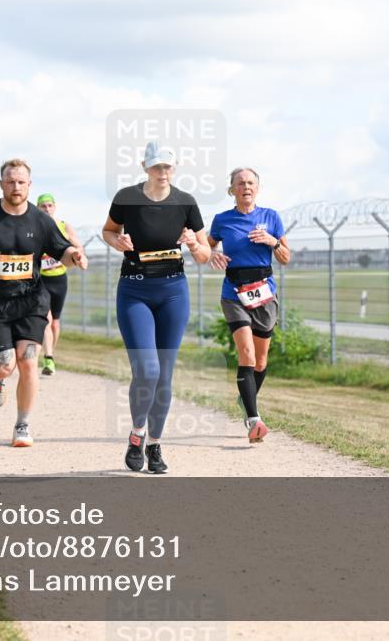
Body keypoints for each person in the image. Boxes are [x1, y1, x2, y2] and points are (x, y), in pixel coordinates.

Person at [0, 159, 87, 447]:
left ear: (29, 185)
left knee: (28, 362)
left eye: (21, 182)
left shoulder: (41, 221)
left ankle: (22, 425)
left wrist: (74, 257)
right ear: (1, 184)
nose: (16, 187)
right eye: (10, 181)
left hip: (32, 301)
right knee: (4, 365)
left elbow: (61, 251)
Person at [101, 141, 210, 474]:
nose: (162, 172)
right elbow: (108, 230)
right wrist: (116, 240)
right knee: (146, 371)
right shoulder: (126, 197)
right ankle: (137, 434)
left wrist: (193, 243)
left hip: (173, 291)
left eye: (167, 166)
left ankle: (155, 445)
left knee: (164, 375)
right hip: (135, 290)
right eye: (156, 166)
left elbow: (205, 254)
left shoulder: (186, 202)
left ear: (174, 167)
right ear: (144, 166)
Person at [208, 167, 289, 443]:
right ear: (232, 189)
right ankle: (254, 420)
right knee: (247, 355)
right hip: (233, 292)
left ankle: (246, 399)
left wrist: (273, 241)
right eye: (240, 183)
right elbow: (205, 248)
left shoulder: (271, 217)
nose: (246, 187)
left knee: (261, 360)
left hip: (264, 293)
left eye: (251, 183)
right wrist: (213, 255)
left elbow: (286, 257)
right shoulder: (222, 220)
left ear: (258, 188)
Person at [35, 193, 82, 376]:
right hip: (42, 280)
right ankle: (49, 357)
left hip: (59, 279)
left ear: (54, 207)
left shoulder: (64, 226)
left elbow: (76, 244)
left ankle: (50, 354)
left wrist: (78, 253)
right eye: (42, 206)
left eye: (49, 205)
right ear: (38, 208)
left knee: (55, 322)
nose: (46, 209)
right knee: (46, 319)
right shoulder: (36, 227)